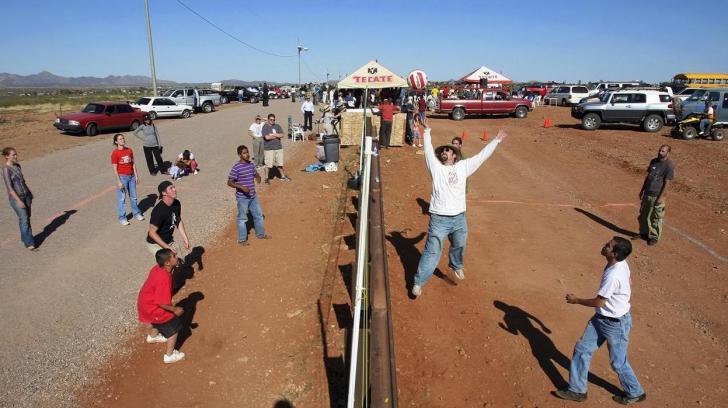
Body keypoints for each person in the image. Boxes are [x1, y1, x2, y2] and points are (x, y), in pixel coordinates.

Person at [411, 120, 507, 298]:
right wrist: (428, 131)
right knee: (432, 252)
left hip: (459, 218)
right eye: (443, 151)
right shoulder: (436, 169)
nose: (445, 152)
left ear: (455, 156)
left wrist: (496, 141)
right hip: (439, 218)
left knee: (460, 244)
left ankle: (456, 266)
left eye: (448, 150)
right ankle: (418, 282)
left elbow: (481, 156)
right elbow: (427, 151)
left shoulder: (463, 167)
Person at [555, 237, 647, 405]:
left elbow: (599, 302)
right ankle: (577, 390)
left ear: (615, 253)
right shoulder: (620, 263)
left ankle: (635, 392)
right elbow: (628, 281)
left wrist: (576, 300)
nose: (604, 246)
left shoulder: (613, 275)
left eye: (608, 246)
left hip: (615, 324)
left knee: (618, 363)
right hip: (602, 319)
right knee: (582, 349)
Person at [137, 248, 186, 364]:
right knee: (174, 327)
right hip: (153, 307)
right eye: (174, 256)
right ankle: (169, 355)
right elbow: (162, 303)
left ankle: (153, 337)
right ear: (168, 263)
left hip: (144, 304)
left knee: (157, 321)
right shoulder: (164, 278)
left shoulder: (157, 268)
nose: (176, 256)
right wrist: (175, 309)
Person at [227, 145, 271, 245]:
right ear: (239, 155)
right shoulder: (236, 167)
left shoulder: (251, 164)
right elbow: (229, 182)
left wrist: (258, 176)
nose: (247, 155)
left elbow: (254, 173)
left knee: (258, 215)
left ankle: (261, 234)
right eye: (244, 153)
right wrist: (241, 187)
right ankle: (242, 239)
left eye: (247, 152)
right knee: (242, 218)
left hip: (253, 196)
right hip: (242, 198)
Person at [636, 145, 674, 246]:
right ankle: (643, 233)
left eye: (663, 151)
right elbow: (648, 177)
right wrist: (642, 190)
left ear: (668, 153)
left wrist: (660, 197)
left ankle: (654, 237)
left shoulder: (669, 165)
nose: (660, 152)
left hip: (657, 195)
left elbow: (667, 183)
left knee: (655, 218)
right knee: (643, 215)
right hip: (647, 193)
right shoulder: (654, 161)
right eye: (659, 150)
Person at [146, 180, 191, 259]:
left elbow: (178, 221)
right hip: (155, 244)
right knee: (169, 264)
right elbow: (152, 233)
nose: (174, 189)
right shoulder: (159, 211)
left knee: (180, 262)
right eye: (171, 188)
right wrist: (167, 247)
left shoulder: (176, 204)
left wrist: (185, 239)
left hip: (168, 240)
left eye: (174, 187)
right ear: (164, 193)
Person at [3, 147, 36, 250]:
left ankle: (25, 237)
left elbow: (23, 182)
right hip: (16, 198)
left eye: (16, 154)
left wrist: (29, 193)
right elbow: (10, 188)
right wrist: (19, 201)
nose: (16, 156)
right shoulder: (5, 169)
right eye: (13, 155)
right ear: (7, 156)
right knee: (24, 219)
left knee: (26, 218)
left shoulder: (18, 166)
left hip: (26, 195)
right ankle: (29, 243)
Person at [111, 134, 144, 225]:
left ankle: (136, 213)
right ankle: (122, 218)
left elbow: (133, 164)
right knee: (122, 199)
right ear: (116, 142)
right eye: (120, 139)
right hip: (122, 177)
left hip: (131, 176)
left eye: (123, 138)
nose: (122, 140)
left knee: (133, 197)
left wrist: (136, 176)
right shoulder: (115, 153)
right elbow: (115, 169)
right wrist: (119, 181)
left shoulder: (129, 150)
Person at [261, 113, 291, 184]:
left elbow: (282, 135)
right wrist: (277, 136)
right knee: (268, 164)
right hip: (269, 149)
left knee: (280, 164)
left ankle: (283, 176)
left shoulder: (277, 126)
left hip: (278, 148)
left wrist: (273, 134)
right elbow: (267, 137)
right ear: (268, 120)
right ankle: (266, 178)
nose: (272, 121)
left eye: (273, 120)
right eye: (271, 119)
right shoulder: (265, 127)